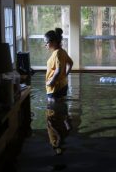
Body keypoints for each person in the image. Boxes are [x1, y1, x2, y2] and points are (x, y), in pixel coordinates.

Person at [44, 27, 73, 155]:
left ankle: (62, 119)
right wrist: (65, 76)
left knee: (53, 111)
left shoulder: (57, 53)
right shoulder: (62, 52)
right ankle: (65, 118)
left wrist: (51, 81)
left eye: (47, 42)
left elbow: (57, 70)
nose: (45, 44)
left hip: (55, 88)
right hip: (62, 85)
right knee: (61, 108)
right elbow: (70, 63)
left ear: (54, 42)